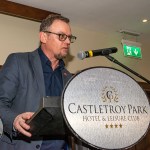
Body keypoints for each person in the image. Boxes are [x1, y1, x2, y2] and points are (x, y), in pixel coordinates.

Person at [0, 14, 76, 150]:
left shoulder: (69, 77)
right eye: (62, 36)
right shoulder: (18, 62)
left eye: (70, 37)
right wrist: (14, 119)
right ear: (43, 37)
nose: (68, 42)